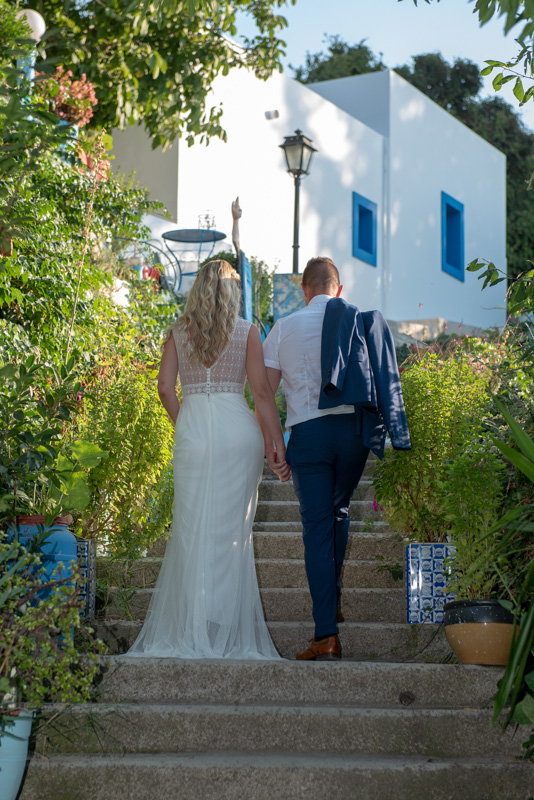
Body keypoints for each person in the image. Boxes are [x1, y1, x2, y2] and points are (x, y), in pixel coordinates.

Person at [128, 259, 289, 660]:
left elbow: (165, 388)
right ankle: (225, 629)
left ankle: (196, 625)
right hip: (238, 433)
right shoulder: (247, 332)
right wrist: (277, 443)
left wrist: (186, 424)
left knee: (191, 530)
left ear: (197, 288)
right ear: (232, 292)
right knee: (232, 534)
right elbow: (263, 395)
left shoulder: (177, 332)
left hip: (194, 431)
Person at [262, 256, 410, 661]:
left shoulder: (282, 328)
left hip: (308, 435)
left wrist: (272, 443)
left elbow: (265, 392)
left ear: (304, 289)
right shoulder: (355, 321)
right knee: (339, 511)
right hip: (352, 434)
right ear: (338, 289)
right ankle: (334, 598)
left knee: (316, 528)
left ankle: (325, 633)